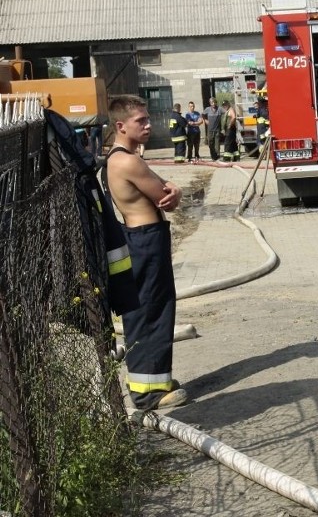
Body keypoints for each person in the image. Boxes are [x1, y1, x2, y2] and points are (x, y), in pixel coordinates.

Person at [103, 94, 187, 410]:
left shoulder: (119, 157)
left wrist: (172, 186)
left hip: (141, 238)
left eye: (147, 118)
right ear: (121, 125)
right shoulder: (128, 160)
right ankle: (147, 393)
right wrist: (174, 189)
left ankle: (156, 381)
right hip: (145, 240)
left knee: (152, 308)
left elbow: (165, 188)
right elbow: (166, 195)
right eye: (141, 120)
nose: (149, 125)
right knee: (152, 310)